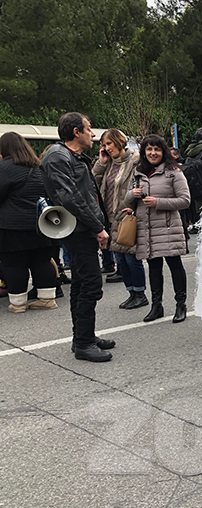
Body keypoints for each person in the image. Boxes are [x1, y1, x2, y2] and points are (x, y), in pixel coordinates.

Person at [40, 112, 115, 362]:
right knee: (91, 285)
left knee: (82, 283)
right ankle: (83, 343)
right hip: (78, 231)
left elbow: (84, 192)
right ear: (76, 132)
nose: (93, 134)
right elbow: (70, 198)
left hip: (82, 229)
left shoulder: (70, 156)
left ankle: (83, 337)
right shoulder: (58, 156)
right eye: (89, 128)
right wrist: (97, 227)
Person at [128, 135, 191, 324]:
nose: (153, 153)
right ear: (143, 152)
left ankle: (181, 305)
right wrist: (131, 195)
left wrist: (158, 202)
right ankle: (157, 306)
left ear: (163, 152)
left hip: (168, 228)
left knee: (175, 266)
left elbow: (185, 200)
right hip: (146, 228)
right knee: (154, 268)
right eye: (149, 149)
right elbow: (126, 200)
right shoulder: (138, 172)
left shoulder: (173, 172)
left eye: (157, 149)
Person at [0, 132, 59, 313]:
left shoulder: (4, 168)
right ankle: (47, 299)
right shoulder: (39, 167)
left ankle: (18, 303)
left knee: (14, 264)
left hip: (12, 226)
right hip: (41, 224)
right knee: (42, 261)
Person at [92, 129, 147, 310]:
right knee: (120, 259)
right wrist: (100, 163)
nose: (106, 148)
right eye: (103, 145)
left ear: (119, 141)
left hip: (127, 215)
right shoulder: (107, 163)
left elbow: (142, 185)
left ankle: (140, 293)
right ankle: (131, 292)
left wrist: (133, 206)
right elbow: (92, 183)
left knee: (131, 257)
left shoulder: (135, 160)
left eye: (109, 143)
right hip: (109, 216)